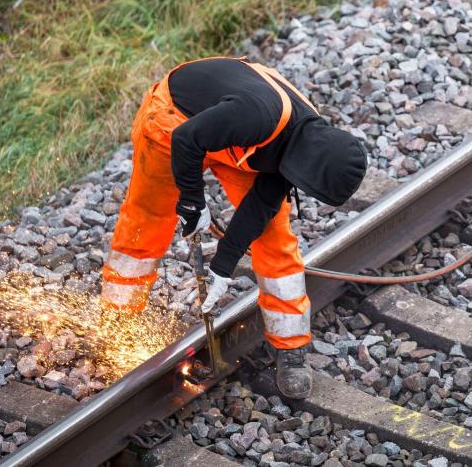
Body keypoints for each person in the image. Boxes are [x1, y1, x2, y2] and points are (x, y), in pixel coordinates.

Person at [101, 56, 367, 398]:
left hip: (237, 137)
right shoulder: (257, 116)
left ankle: (290, 346)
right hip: (175, 121)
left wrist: (223, 266)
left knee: (275, 239)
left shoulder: (307, 146)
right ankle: (118, 319)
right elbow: (186, 139)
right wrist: (193, 202)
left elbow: (259, 209)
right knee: (148, 221)